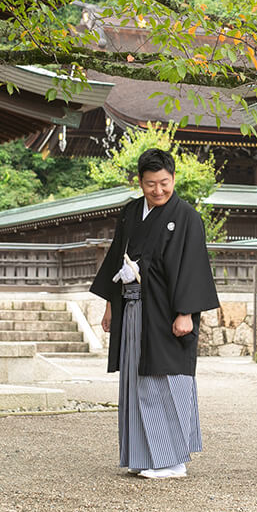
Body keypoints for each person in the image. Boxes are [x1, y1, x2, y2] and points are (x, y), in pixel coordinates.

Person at [90, 148, 220, 479]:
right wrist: (109, 305)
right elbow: (117, 259)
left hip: (167, 311)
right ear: (140, 182)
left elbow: (192, 267)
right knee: (136, 380)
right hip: (134, 308)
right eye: (151, 184)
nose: (158, 190)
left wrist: (186, 313)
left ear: (173, 178)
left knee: (166, 379)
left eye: (164, 183)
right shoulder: (131, 212)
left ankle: (172, 460)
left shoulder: (187, 216)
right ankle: (144, 456)